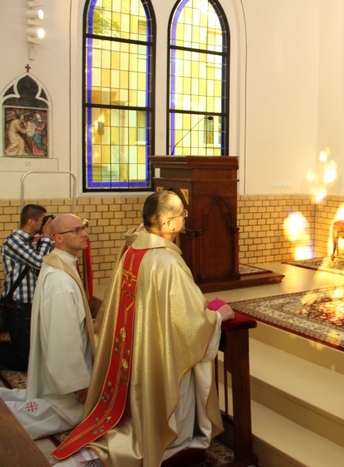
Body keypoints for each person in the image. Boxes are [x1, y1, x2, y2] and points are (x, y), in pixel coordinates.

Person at [53, 190, 235, 465]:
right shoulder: (168, 263)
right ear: (169, 224)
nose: (185, 219)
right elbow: (190, 325)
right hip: (157, 353)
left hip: (134, 344)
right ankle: (170, 439)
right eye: (182, 214)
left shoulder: (133, 250)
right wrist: (218, 317)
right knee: (179, 389)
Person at [0, 214, 94, 439]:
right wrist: (78, 382)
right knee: (65, 412)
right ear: (58, 238)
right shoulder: (60, 279)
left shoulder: (57, 264)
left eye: (83, 228)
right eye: (76, 230)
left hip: (58, 368)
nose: (84, 233)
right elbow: (63, 336)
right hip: (67, 383)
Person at [0, 204, 55, 370]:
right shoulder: (14, 240)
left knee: (30, 352)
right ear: (31, 221)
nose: (45, 224)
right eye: (42, 220)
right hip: (18, 307)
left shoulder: (29, 242)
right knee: (24, 362)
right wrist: (46, 236)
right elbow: (40, 262)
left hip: (27, 306)